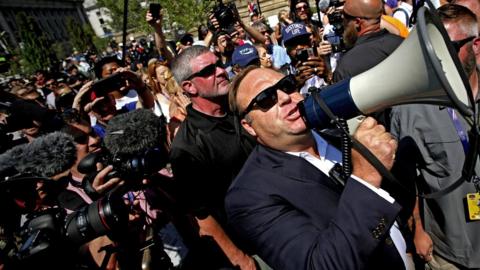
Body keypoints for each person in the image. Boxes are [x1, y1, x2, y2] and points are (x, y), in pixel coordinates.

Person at [226, 66, 408, 270]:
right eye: (266, 98)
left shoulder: (338, 135)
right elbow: (319, 265)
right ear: (249, 126)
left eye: (287, 86)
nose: (285, 97)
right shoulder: (248, 197)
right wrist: (366, 177)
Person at [390, 4, 480, 269]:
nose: (438, 59)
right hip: (449, 253)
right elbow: (406, 181)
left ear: (476, 46)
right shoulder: (408, 109)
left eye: (449, 48)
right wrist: (418, 227)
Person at [169, 45, 256, 269]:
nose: (220, 71)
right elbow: (202, 215)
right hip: (254, 241)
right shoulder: (186, 148)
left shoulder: (242, 105)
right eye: (208, 70)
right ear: (189, 87)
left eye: (219, 64)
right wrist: (239, 258)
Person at [333, 0, 404, 82]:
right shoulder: (402, 44)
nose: (342, 22)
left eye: (344, 16)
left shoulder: (346, 66)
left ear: (357, 22)